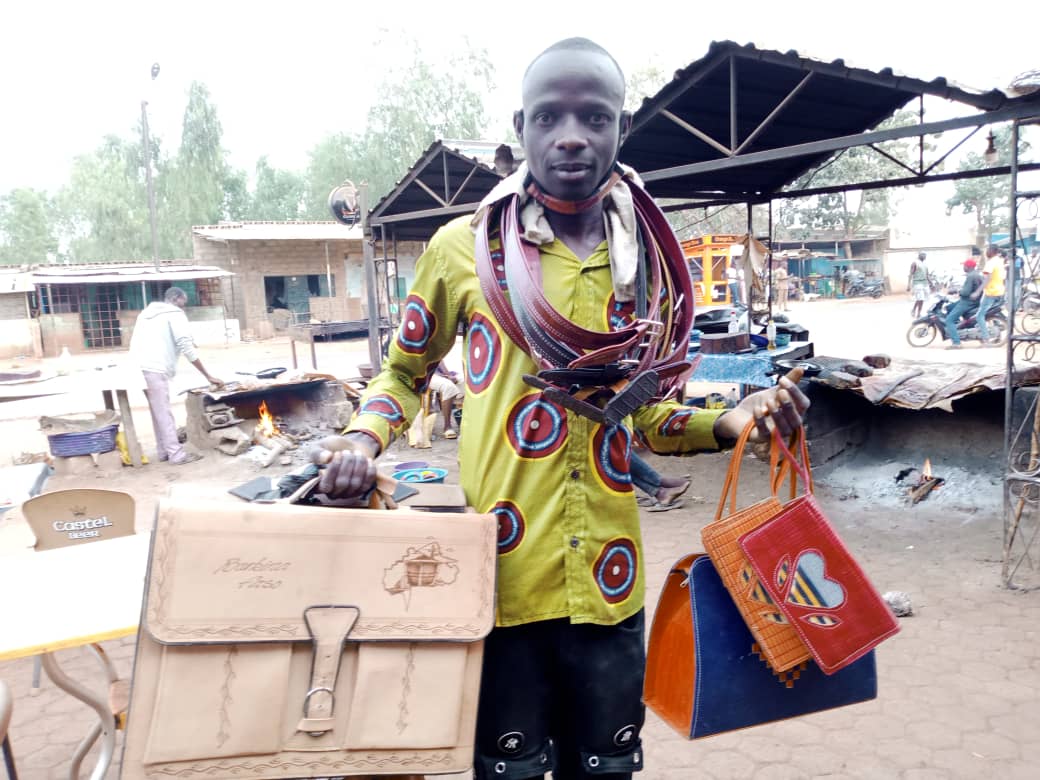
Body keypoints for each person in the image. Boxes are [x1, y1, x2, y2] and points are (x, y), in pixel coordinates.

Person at [313, 38, 808, 779]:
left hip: (608, 592)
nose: (570, 135)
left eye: (593, 116)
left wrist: (728, 423)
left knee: (606, 770)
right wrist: (360, 441)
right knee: (507, 770)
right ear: (521, 126)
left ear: (622, 126)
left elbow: (641, 415)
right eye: (548, 117)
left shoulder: (649, 265)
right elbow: (404, 374)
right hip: (502, 584)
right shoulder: (462, 252)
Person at [129, 287, 223, 463]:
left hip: (139, 367)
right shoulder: (175, 314)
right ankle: (176, 455)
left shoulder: (146, 314)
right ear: (176, 299)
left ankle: (164, 451)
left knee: (157, 411)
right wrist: (208, 376)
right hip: (156, 368)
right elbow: (185, 345)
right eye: (183, 302)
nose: (184, 307)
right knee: (164, 411)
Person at [944, 258, 983, 349]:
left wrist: (958, 291)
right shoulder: (976, 274)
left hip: (967, 302)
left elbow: (965, 292)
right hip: (973, 301)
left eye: (964, 266)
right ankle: (960, 328)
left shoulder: (970, 276)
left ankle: (956, 343)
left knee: (949, 320)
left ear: (968, 267)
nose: (963, 267)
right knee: (950, 307)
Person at [976, 244, 1006, 343]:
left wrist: (977, 291)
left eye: (987, 250)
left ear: (992, 251)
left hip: (991, 292)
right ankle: (998, 336)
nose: (986, 252)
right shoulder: (999, 260)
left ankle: (986, 338)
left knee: (979, 315)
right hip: (1000, 291)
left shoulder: (991, 262)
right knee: (992, 314)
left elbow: (987, 279)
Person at [427, 361, 462, 439]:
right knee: (448, 386)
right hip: (424, 376)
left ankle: (465, 422)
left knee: (464, 381)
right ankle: (447, 426)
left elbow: (439, 360)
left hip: (438, 374)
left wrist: (448, 375)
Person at [907, 251, 933, 318]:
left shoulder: (925, 264)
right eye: (923, 255)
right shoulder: (915, 263)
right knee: (920, 298)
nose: (924, 256)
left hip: (925, 283)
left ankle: (913, 310)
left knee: (921, 298)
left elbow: (927, 275)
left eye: (925, 255)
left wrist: (931, 283)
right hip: (917, 283)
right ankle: (918, 314)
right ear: (919, 255)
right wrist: (908, 285)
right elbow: (910, 274)